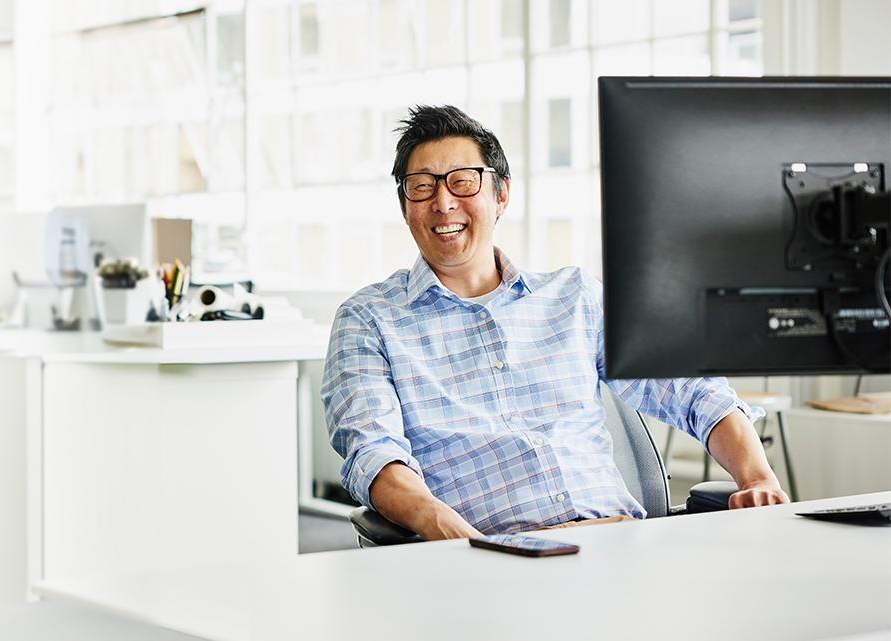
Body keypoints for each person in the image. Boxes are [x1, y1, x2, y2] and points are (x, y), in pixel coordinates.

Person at [321, 105, 789, 540]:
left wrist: (757, 476)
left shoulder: (575, 296)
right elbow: (375, 455)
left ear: (501, 194)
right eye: (422, 186)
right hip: (488, 559)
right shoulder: (369, 320)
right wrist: (441, 526)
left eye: (463, 181)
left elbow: (693, 389)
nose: (443, 203)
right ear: (405, 205)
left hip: (618, 546)